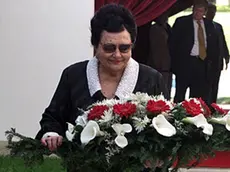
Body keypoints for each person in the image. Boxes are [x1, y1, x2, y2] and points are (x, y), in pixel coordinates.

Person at [35, 3, 167, 172]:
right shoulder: (73, 75)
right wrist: (52, 134)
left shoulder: (152, 79)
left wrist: (158, 154)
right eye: (109, 48)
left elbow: (165, 126)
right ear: (95, 46)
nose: (117, 55)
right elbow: (52, 117)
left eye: (124, 48)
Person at [170, 1, 219, 105]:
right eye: (195, 10)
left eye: (200, 11)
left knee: (198, 95)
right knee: (180, 94)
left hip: (202, 63)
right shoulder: (182, 22)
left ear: (205, 12)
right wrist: (175, 63)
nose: (197, 13)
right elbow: (172, 44)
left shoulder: (209, 25)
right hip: (185, 63)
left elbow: (214, 46)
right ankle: (177, 116)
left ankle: (195, 117)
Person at [206, 2, 230, 103]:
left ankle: (213, 105)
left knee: (215, 84)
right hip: (206, 61)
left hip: (217, 61)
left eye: (214, 11)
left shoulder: (218, 26)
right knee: (206, 85)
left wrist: (226, 56)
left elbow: (222, 42)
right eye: (210, 11)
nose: (212, 13)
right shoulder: (203, 25)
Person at [147, 11, 172, 100]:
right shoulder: (154, 29)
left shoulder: (168, 27)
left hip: (168, 65)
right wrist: (158, 65)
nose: (165, 17)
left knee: (167, 90)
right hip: (159, 65)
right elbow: (155, 48)